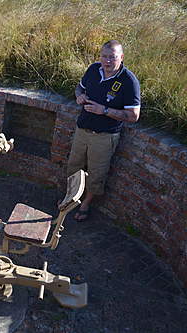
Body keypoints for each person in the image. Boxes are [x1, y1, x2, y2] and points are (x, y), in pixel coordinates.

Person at [67, 40, 141, 221]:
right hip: (82, 129)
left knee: (96, 174)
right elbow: (79, 88)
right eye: (104, 56)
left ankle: (85, 204)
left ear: (121, 58)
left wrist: (105, 111)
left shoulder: (129, 81)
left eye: (112, 57)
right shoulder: (93, 69)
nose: (107, 61)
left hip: (104, 136)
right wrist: (79, 96)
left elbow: (133, 116)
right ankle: (69, 199)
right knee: (73, 166)